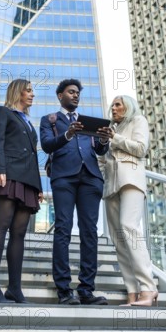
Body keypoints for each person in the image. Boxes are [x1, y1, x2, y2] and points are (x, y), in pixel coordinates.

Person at [40, 79, 109, 305]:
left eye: (78, 93)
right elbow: (47, 145)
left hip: (90, 177)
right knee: (63, 229)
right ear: (60, 96)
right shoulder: (49, 120)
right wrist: (68, 134)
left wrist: (103, 140)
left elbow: (98, 150)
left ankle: (86, 290)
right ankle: (64, 290)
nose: (76, 95)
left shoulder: (87, 122)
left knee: (89, 232)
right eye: (71, 92)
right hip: (63, 178)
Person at [0, 79, 43, 304]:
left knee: (19, 233)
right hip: (8, 175)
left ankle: (14, 289)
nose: (32, 95)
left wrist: (38, 187)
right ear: (17, 92)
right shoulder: (3, 112)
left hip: (28, 181)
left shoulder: (29, 123)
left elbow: (34, 157)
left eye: (32, 91)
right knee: (2, 224)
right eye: (28, 90)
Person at [98, 95, 158, 307]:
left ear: (127, 107)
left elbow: (141, 149)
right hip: (111, 186)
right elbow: (103, 161)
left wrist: (115, 138)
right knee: (119, 241)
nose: (113, 108)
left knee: (129, 227)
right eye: (112, 105)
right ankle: (132, 293)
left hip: (131, 181)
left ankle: (148, 287)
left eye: (118, 104)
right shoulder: (110, 131)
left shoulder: (137, 121)